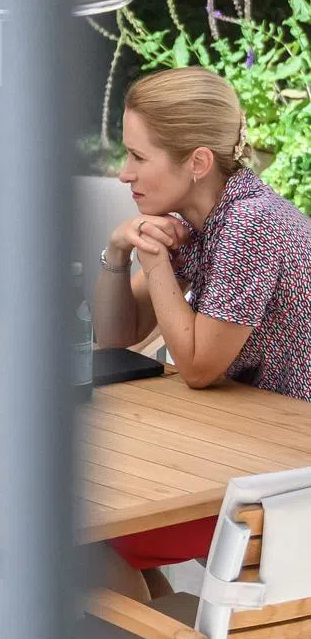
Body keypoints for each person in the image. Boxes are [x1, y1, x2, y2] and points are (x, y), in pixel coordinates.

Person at [93, 66, 311, 601]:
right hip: (251, 459)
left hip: (284, 492)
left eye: (139, 157)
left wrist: (156, 260)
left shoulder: (249, 227)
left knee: (74, 539)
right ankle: (164, 624)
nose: (124, 174)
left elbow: (196, 367)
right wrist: (118, 252)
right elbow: (116, 335)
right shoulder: (208, 215)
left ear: (197, 162)